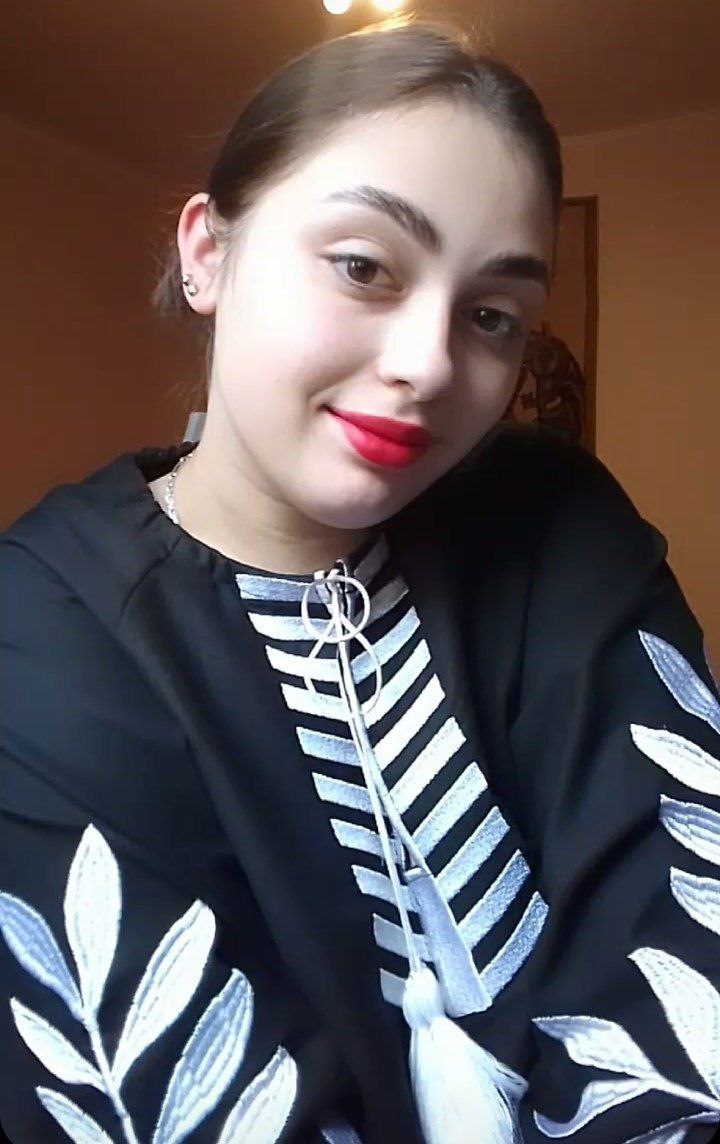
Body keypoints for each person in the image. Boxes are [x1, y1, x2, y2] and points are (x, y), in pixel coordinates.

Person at [1, 18, 719, 1144]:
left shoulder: (557, 522)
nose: (430, 365)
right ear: (207, 252)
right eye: (363, 266)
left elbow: (689, 936)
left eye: (493, 317)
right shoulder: (40, 633)